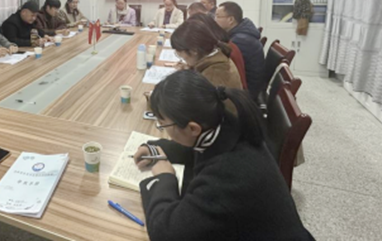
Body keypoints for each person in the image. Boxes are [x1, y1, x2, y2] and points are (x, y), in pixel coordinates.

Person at [133, 70, 314, 241]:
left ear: (193, 128)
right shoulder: (225, 124)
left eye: (163, 125)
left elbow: (166, 234)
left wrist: (165, 177)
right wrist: (157, 148)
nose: (164, 130)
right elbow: (196, 147)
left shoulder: (226, 177)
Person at [169, 16, 243, 91]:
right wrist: (190, 69)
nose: (183, 59)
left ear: (194, 51)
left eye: (180, 55)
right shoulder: (216, 54)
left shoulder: (214, 75)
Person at [215, 1, 265, 100]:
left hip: (246, 94)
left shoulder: (240, 41)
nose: (214, 20)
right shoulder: (240, 33)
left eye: (218, 16)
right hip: (250, 87)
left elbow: (226, 69)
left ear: (230, 19)